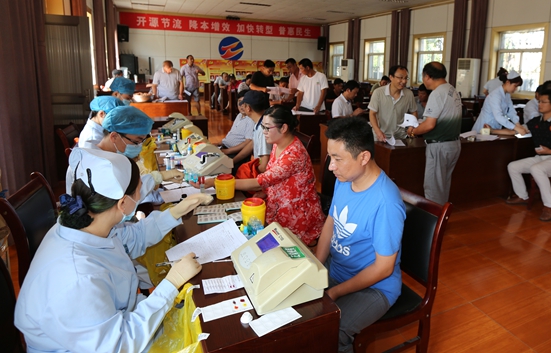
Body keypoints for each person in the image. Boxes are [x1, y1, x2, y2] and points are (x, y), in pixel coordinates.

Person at [15, 147, 210, 353]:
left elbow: (131, 238)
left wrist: (174, 213)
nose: (141, 194)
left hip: (114, 324)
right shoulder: (77, 278)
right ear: (123, 203)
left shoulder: (89, 224)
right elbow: (118, 345)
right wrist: (171, 284)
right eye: (139, 190)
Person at [315, 116, 405, 353]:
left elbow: (383, 268)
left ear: (364, 157)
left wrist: (335, 292)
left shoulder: (385, 203)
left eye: (337, 159)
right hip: (338, 268)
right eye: (330, 157)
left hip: (375, 287)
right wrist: (315, 266)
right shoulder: (345, 178)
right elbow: (331, 223)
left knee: (334, 329)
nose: (331, 166)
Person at [199, 106, 325, 245]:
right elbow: (272, 177)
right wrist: (265, 192)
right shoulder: (278, 143)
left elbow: (260, 181)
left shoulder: (293, 155)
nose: (263, 131)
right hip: (278, 202)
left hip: (296, 213)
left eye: (267, 128)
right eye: (262, 127)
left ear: (283, 128)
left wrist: (215, 182)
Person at [505, 90, 551, 221]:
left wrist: (550, 151)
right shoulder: (536, 121)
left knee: (536, 169)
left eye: (543, 102)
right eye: (539, 102)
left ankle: (550, 206)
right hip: (541, 158)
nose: (539, 104)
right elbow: (516, 131)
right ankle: (522, 196)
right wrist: (491, 130)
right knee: (513, 166)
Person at [406, 62, 462, 204]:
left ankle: (434, 217)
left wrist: (413, 131)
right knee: (443, 185)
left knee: (433, 188)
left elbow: (430, 125)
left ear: (428, 76)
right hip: (453, 144)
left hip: (439, 146)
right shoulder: (452, 89)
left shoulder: (437, 94)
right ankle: (442, 215)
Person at [368, 65, 417, 142]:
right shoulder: (378, 93)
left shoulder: (409, 94)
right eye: (400, 78)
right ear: (391, 77)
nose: (404, 81)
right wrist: (378, 131)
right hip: (381, 136)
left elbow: (414, 112)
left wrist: (412, 126)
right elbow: (372, 114)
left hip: (400, 137)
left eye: (406, 78)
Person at [472, 70, 528, 135]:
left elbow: (511, 111)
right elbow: (498, 116)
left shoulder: (507, 95)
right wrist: (515, 128)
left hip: (494, 129)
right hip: (484, 127)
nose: (516, 89)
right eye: (515, 86)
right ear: (508, 82)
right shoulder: (495, 95)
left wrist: (517, 124)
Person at [233, 90, 272, 177]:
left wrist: (250, 174)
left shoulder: (263, 129)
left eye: (244, 105)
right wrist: (232, 161)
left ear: (248, 108)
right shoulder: (259, 123)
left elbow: (264, 166)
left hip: (261, 175)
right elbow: (251, 144)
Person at [219, 90, 255, 162]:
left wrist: (227, 151)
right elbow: (232, 133)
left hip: (234, 153)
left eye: (244, 102)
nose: (242, 106)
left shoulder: (250, 119)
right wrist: (218, 144)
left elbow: (247, 142)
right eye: (240, 102)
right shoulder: (239, 115)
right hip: (224, 146)